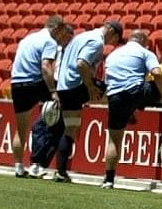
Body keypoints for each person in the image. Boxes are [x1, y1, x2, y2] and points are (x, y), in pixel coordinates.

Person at [37, 19, 120, 183]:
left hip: (64, 87)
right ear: (112, 32)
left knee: (71, 129)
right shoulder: (97, 42)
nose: (114, 43)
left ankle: (61, 172)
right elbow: (82, 63)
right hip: (77, 86)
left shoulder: (82, 36)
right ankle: (123, 115)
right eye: (116, 39)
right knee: (116, 94)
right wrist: (90, 87)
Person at [100, 27, 162, 189]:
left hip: (115, 96)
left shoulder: (112, 55)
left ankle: (109, 180)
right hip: (136, 91)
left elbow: (107, 80)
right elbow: (157, 73)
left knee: (114, 140)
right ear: (144, 41)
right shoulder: (145, 52)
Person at [7, 15, 71, 178]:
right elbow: (46, 67)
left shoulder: (27, 39)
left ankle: (18, 167)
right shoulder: (49, 41)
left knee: (21, 129)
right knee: (65, 105)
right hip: (35, 82)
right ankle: (46, 163)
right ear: (56, 28)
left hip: (17, 83)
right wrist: (53, 92)